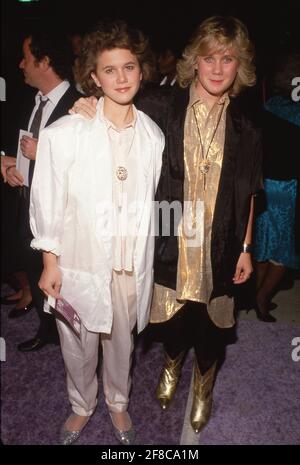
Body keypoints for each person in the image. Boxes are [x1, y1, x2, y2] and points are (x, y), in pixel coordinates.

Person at [72, 15, 262, 435]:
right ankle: (173, 365)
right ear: (194, 61)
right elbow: (114, 107)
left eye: (227, 59)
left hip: (221, 244)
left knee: (212, 332)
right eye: (208, 57)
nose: (216, 68)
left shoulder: (247, 128)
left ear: (239, 66)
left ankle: (203, 384)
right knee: (171, 326)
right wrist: (85, 104)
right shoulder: (158, 105)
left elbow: (250, 193)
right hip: (167, 241)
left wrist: (247, 248)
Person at [29, 21, 164, 445]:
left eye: (129, 67)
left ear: (142, 72)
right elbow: (47, 199)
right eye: (110, 70)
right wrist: (50, 260)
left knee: (122, 343)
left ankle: (118, 403)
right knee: (78, 346)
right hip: (79, 264)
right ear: (94, 77)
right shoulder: (64, 134)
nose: (121, 78)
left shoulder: (153, 136)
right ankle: (81, 405)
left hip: (129, 267)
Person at [5, 31, 81, 349]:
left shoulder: (79, 104)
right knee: (35, 269)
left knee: (67, 280)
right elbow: (25, 149)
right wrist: (11, 165)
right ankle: (47, 329)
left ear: (44, 61)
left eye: (26, 57)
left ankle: (72, 337)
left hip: (64, 217)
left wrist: (45, 151)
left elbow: (87, 165)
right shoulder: (34, 100)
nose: (21, 64)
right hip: (30, 204)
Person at [253, 52, 300, 322]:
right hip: (288, 190)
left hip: (264, 185)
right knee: (284, 251)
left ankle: (254, 294)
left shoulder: (268, 105)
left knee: (263, 244)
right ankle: (261, 298)